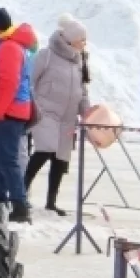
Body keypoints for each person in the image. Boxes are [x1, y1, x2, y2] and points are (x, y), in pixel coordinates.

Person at [24, 14, 90, 217]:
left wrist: (86, 112)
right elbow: (29, 80)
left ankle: (51, 201)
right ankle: (20, 191)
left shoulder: (79, 60)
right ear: (70, 39)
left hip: (68, 117)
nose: (84, 44)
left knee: (61, 157)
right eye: (81, 39)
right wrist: (29, 104)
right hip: (46, 112)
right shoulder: (47, 55)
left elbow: (82, 89)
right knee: (45, 148)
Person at [0, 8, 37, 223]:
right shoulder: (9, 46)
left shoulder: (8, 48)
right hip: (9, 111)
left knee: (6, 159)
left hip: (7, 112)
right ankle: (1, 200)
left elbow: (8, 82)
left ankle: (19, 205)